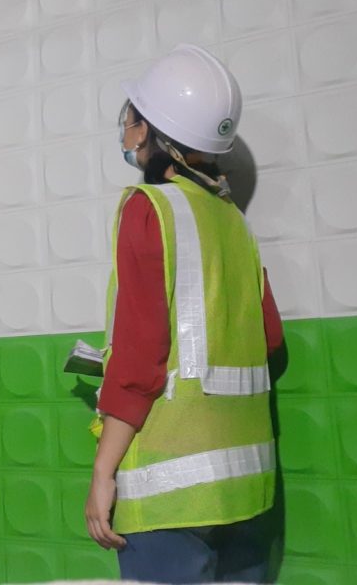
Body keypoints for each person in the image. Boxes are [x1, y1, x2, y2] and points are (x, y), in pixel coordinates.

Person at [84, 44, 285, 584]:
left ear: (153, 132)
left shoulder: (148, 210)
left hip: (169, 499)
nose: (126, 128)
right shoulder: (234, 222)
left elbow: (138, 361)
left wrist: (103, 472)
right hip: (248, 488)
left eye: (132, 117)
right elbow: (268, 341)